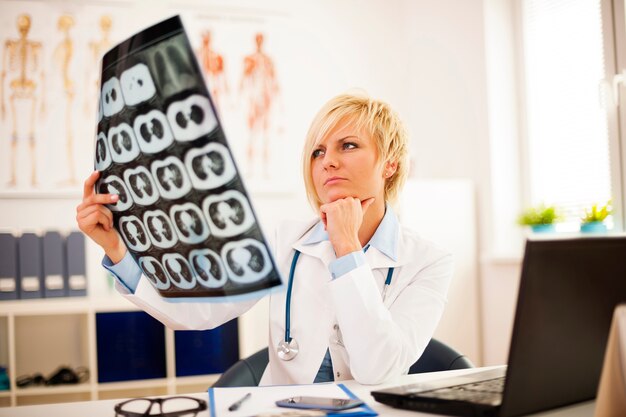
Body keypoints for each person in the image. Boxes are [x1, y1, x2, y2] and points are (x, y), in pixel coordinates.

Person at [76, 93, 453, 385]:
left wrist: (347, 248)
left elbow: (378, 369)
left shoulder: (429, 261)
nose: (327, 162)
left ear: (390, 163)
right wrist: (116, 247)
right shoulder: (283, 240)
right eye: (318, 152)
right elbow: (196, 312)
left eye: (348, 145)